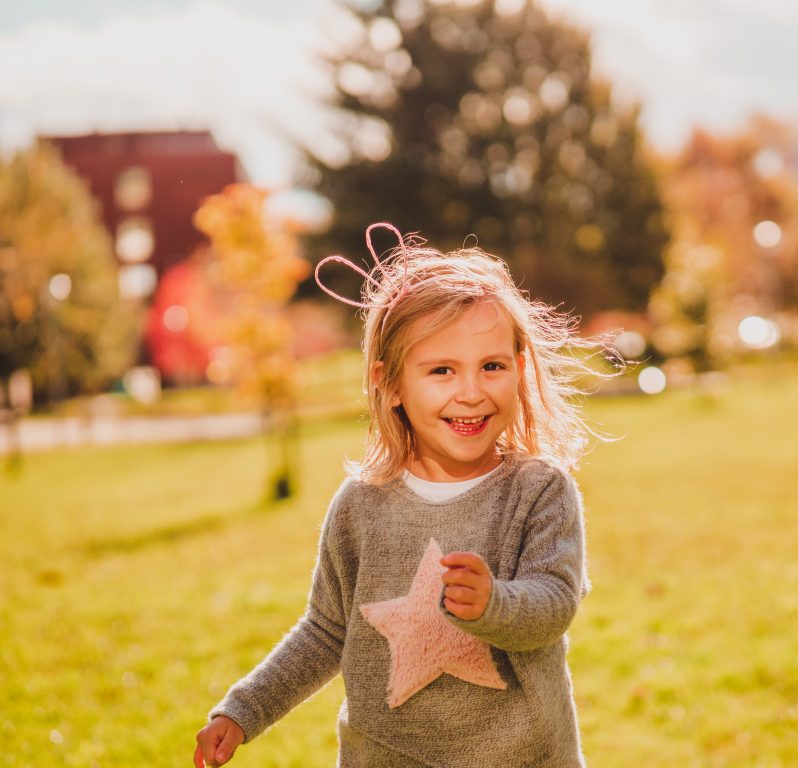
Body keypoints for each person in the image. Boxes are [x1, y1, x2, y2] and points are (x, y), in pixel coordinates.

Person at [194, 223, 625, 768]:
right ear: (391, 383)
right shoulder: (360, 506)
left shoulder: (539, 491)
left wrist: (494, 603)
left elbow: (554, 604)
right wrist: (244, 709)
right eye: (441, 370)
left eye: (491, 366)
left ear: (518, 370)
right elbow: (327, 630)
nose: (470, 391)